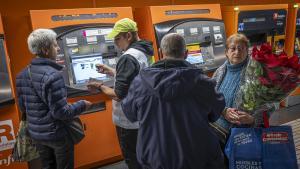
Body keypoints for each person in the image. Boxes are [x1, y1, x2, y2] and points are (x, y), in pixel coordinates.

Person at [121, 33, 226, 169]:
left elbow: (130, 114)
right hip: (198, 156)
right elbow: (216, 112)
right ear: (186, 53)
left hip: (155, 158)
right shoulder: (203, 83)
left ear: (160, 52)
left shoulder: (139, 83)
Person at [16, 28, 92, 169]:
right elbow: (61, 113)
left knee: (47, 166)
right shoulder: (53, 75)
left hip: (37, 134)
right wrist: (82, 104)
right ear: (46, 50)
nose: (58, 48)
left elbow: (23, 108)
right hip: (57, 134)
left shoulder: (22, 74)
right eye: (55, 45)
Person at [87, 18, 153, 169]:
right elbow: (136, 77)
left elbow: (118, 94)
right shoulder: (144, 51)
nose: (115, 43)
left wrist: (99, 85)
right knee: (144, 156)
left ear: (128, 36)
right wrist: (112, 72)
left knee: (133, 159)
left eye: (118, 38)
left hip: (128, 120)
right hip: (143, 114)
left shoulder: (128, 57)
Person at [211, 33, 278, 153]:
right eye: (233, 48)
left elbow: (271, 104)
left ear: (247, 51)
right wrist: (223, 110)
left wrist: (252, 120)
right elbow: (209, 98)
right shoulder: (220, 71)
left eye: (241, 48)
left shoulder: (256, 73)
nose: (237, 52)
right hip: (214, 130)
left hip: (241, 136)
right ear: (226, 52)